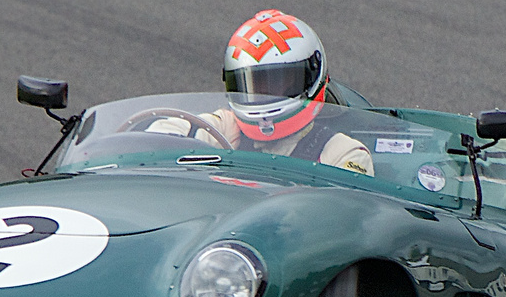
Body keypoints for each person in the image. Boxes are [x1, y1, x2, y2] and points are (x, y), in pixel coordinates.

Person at [147, 9, 374, 175]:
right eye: (253, 86)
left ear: (312, 75)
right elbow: (159, 137)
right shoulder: (226, 128)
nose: (263, 95)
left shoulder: (344, 153)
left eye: (278, 83)